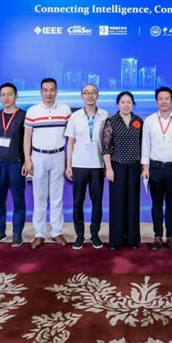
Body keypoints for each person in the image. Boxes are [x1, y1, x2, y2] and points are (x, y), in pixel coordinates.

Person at [24, 78, 71, 249]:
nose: (49, 93)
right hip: (38, 157)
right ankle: (39, 234)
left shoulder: (65, 109)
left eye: (52, 90)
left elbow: (71, 137)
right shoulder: (33, 111)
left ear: (56, 91)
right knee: (39, 197)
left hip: (58, 155)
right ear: (41, 92)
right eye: (45, 90)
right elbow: (27, 136)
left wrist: (69, 162)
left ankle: (57, 232)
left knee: (57, 198)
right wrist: (27, 159)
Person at [141, 86, 172, 251]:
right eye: (160, 99)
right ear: (156, 101)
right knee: (156, 204)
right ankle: (157, 236)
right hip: (155, 167)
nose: (163, 101)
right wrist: (145, 167)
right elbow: (145, 145)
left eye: (166, 98)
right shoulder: (149, 121)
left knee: (171, 204)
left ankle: (170, 236)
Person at [0, 83, 29, 248]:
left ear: (16, 95)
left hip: (16, 163)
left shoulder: (24, 115)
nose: (6, 98)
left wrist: (27, 160)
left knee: (19, 200)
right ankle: (0, 232)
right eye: (3, 95)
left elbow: (28, 140)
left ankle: (17, 233)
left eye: (9, 94)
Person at [65, 84, 109, 249]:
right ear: (81, 96)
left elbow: (107, 142)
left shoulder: (104, 115)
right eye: (86, 93)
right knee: (78, 202)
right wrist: (68, 165)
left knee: (97, 202)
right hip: (79, 165)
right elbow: (70, 142)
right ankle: (79, 235)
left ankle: (95, 234)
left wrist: (107, 165)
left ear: (98, 95)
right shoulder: (75, 116)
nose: (90, 95)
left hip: (98, 165)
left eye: (93, 92)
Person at [102, 91, 144, 250]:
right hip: (117, 166)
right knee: (117, 202)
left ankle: (132, 239)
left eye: (129, 102)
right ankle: (116, 240)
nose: (126, 105)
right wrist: (109, 168)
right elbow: (106, 147)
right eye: (123, 102)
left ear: (133, 104)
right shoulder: (111, 121)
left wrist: (143, 166)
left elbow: (143, 145)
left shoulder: (138, 121)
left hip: (134, 166)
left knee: (133, 202)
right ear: (118, 104)